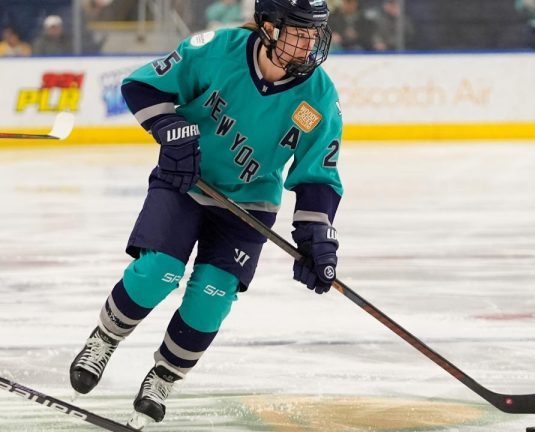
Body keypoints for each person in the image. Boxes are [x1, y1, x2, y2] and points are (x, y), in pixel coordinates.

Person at [68, 0, 343, 429]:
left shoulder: (318, 96)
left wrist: (316, 234)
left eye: (315, 34)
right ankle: (104, 340)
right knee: (159, 269)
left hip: (249, 203)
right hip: (186, 183)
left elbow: (318, 174)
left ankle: (164, 376)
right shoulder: (216, 49)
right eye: (300, 32)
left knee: (212, 296)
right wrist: (170, 130)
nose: (310, 44)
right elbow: (142, 87)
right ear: (269, 27)